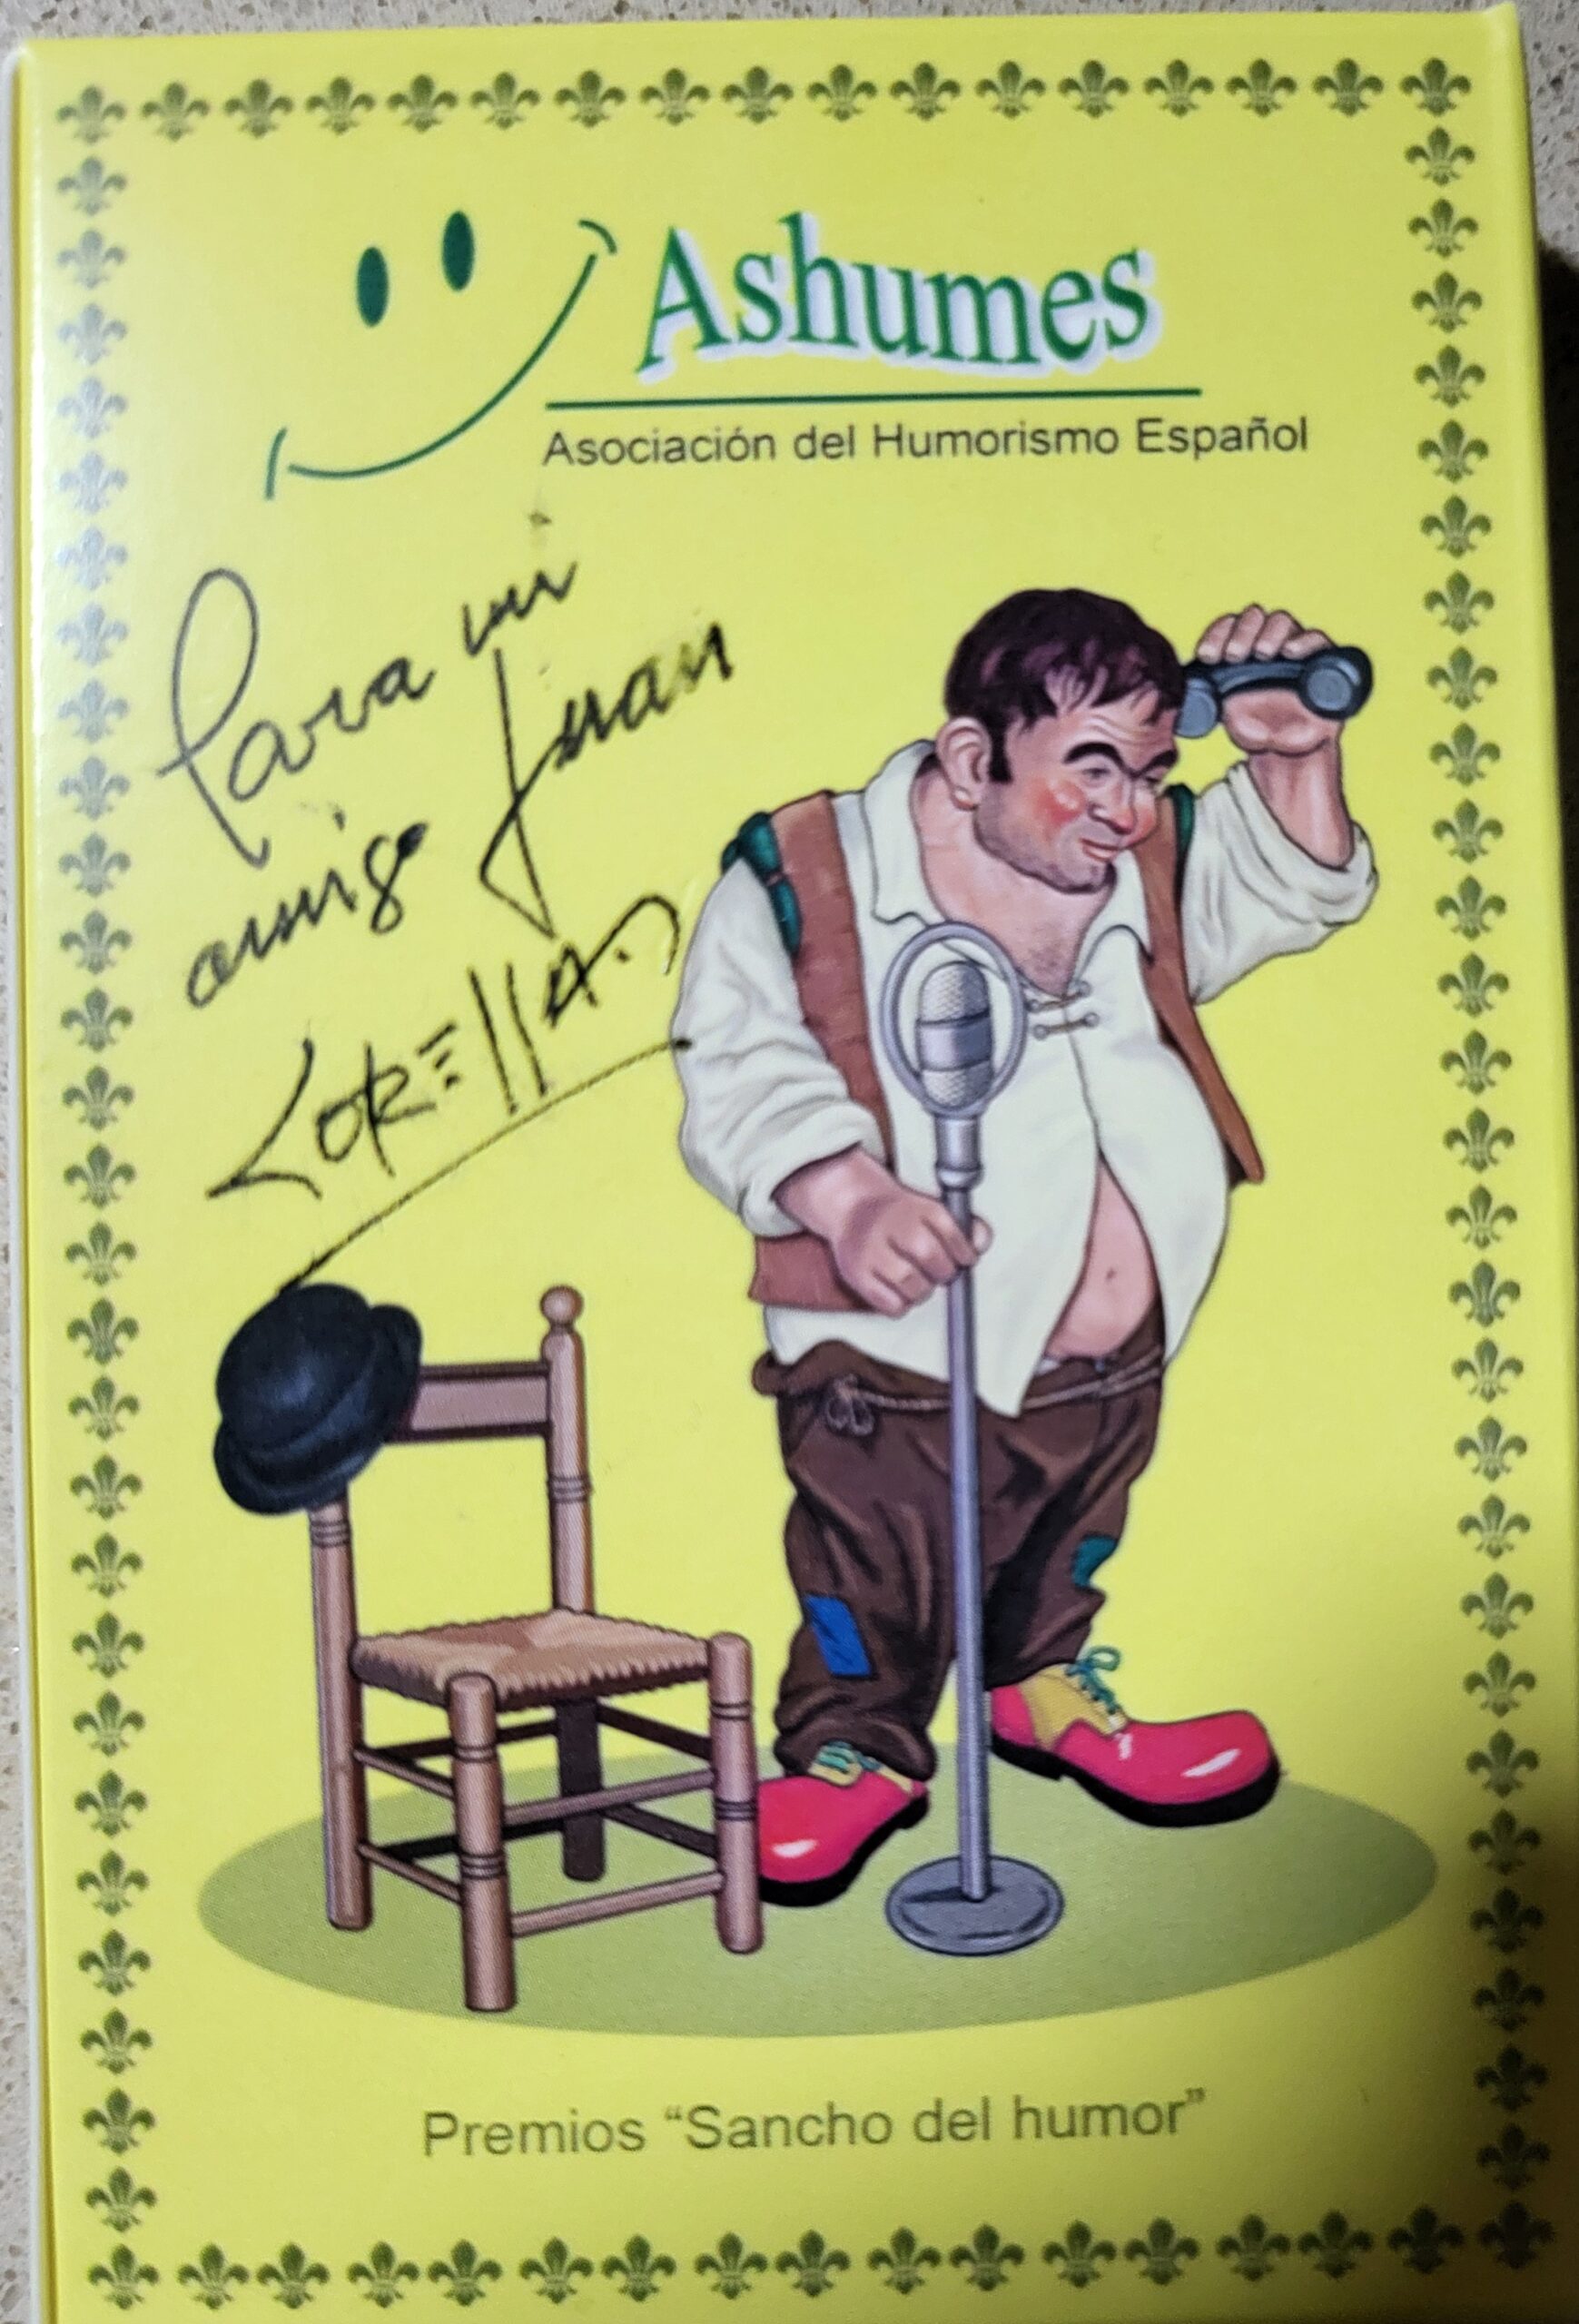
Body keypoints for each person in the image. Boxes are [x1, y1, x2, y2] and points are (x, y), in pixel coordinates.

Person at [672, 588, 1377, 1904]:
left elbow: (1292, 888)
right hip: (900, 1358)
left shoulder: (1134, 860)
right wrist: (846, 1197)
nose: (1127, 810)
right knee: (881, 1562)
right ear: (970, 757)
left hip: (1116, 1353)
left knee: (1065, 1540)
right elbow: (733, 1063)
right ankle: (852, 1752)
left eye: (1152, 771)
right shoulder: (807, 873)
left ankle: (1040, 1692)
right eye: (1092, 768)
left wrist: (1296, 758)